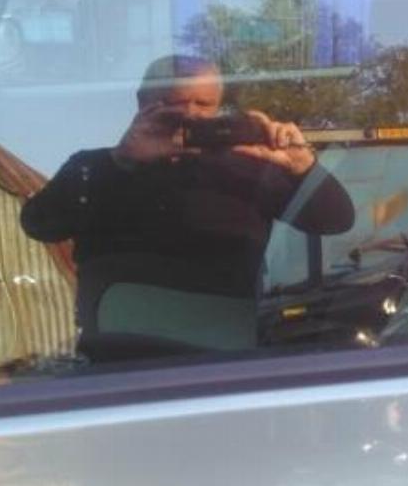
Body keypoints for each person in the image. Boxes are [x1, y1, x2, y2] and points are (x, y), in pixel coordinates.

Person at [21, 54, 354, 360]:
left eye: (203, 104)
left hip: (221, 358)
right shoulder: (96, 168)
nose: (191, 114)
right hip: (116, 360)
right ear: (142, 103)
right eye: (175, 103)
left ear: (219, 106)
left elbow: (335, 220)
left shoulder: (248, 169)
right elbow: (38, 224)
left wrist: (302, 166)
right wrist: (121, 161)